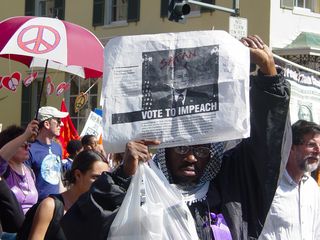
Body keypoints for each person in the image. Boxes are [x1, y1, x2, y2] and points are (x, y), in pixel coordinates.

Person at [61, 35, 291, 240]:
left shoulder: (232, 191)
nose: (191, 158)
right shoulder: (138, 189)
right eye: (181, 149)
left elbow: (267, 146)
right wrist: (123, 177)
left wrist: (268, 75)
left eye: (201, 151)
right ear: (165, 149)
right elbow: (78, 229)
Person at [25, 150, 109, 240]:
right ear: (78, 175)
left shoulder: (98, 210)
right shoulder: (50, 206)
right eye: (95, 177)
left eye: (105, 178)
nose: (102, 182)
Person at [259, 120, 320, 240]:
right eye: (312, 144)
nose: (318, 151)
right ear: (291, 147)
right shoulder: (270, 185)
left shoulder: (312, 188)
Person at [26, 106, 69, 201]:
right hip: (37, 207)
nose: (61, 124)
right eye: (58, 120)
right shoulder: (29, 149)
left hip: (57, 205)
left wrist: (64, 202)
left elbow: (58, 178)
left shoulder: (57, 147)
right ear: (47, 124)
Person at [0, 120, 39, 214]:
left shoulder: (30, 172)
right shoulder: (3, 171)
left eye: (28, 145)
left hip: (29, 226)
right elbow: (1, 156)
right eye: (23, 145)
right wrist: (25, 135)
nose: (28, 148)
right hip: (8, 227)